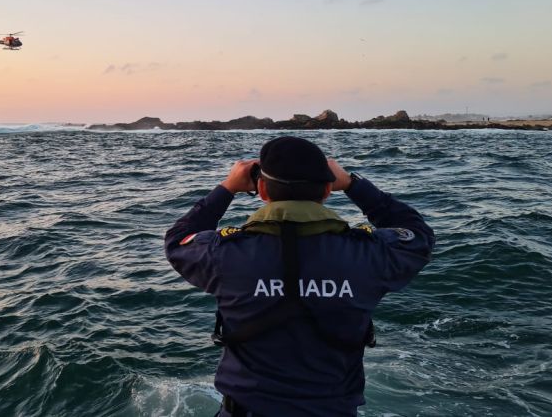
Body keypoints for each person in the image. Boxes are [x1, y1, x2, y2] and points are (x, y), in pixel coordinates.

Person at [165, 136, 435, 416]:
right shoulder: (368, 254)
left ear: (261, 188)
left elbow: (178, 240)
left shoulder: (224, 254)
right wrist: (354, 184)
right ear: (328, 189)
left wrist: (227, 188)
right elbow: (418, 234)